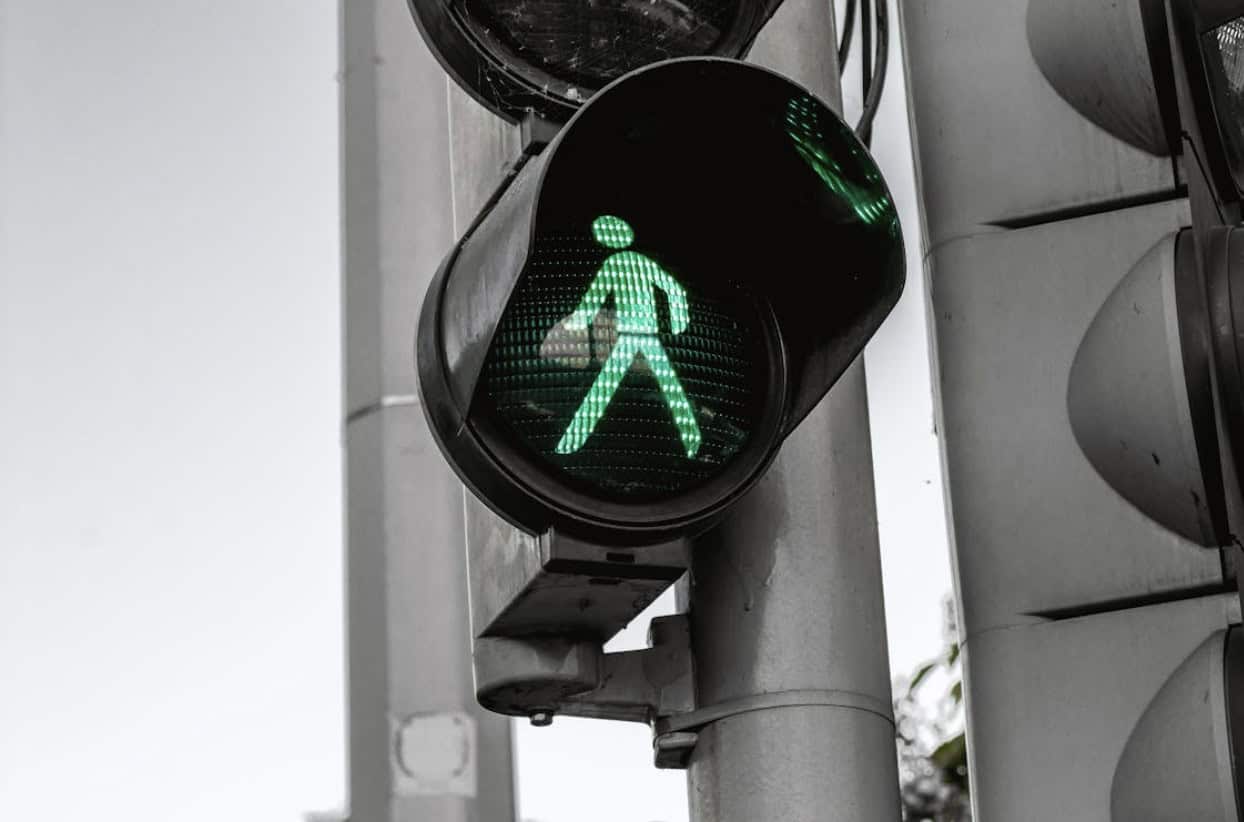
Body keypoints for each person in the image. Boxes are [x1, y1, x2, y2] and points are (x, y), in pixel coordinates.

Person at [555, 215, 702, 458]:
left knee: (604, 387)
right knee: (671, 388)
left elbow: (594, 298)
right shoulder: (643, 262)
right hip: (648, 334)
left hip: (631, 336)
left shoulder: (614, 263)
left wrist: (577, 323)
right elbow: (674, 289)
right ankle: (692, 440)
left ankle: (572, 440)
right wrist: (678, 322)